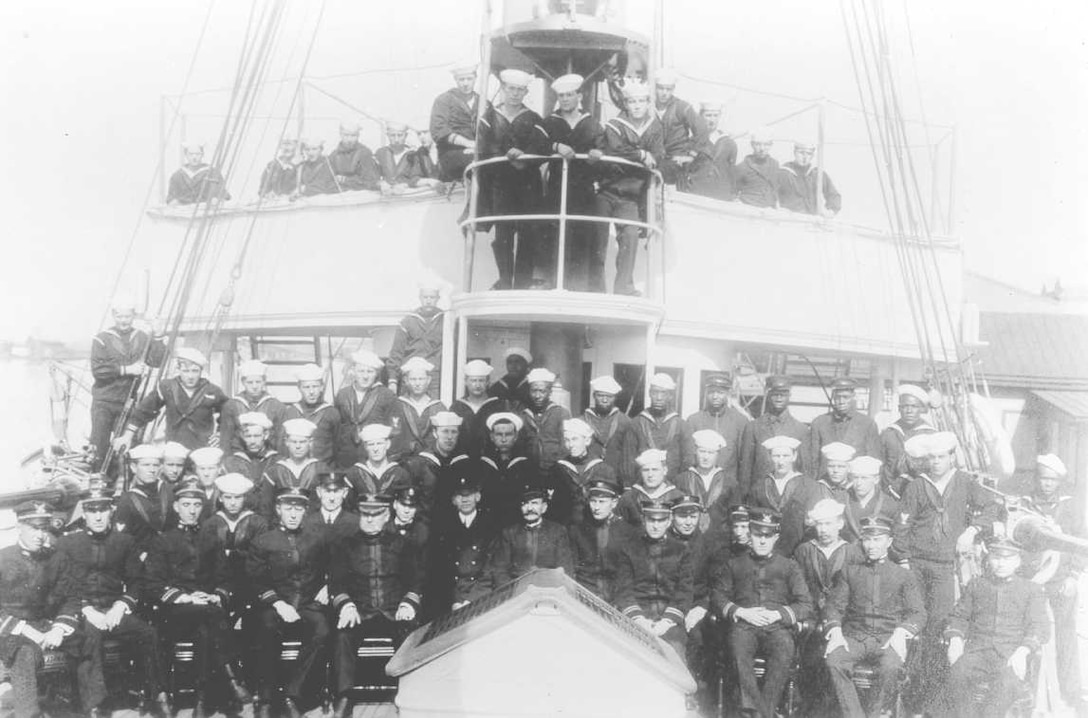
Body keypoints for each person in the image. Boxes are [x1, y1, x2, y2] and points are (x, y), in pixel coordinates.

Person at [898, 430, 1001, 713]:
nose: (935, 462)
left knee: (940, 627)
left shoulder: (964, 482)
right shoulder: (917, 485)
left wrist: (972, 529)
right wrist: (904, 561)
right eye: (931, 457)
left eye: (941, 457)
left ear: (951, 457)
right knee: (913, 624)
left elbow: (992, 507)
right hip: (917, 565)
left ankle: (935, 698)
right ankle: (909, 697)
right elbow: (903, 527)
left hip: (945, 567)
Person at [55, 489, 169, 717]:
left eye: (103, 510)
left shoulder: (124, 541)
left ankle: (156, 695)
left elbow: (136, 581)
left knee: (148, 633)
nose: (98, 517)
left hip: (113, 609)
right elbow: (61, 585)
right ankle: (94, 705)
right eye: (92, 511)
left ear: (112, 511)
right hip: (81, 611)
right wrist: (86, 609)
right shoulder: (68, 543)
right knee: (90, 637)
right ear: (84, 514)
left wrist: (120, 606)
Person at [144, 480, 250, 716]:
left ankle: (202, 699)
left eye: (196, 505)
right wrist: (185, 598)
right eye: (186, 504)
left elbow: (224, 578)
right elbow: (152, 584)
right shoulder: (163, 540)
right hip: (173, 612)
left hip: (205, 611)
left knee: (205, 629)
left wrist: (215, 596)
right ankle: (233, 680)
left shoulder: (210, 538)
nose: (192, 510)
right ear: (176, 507)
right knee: (211, 616)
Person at [930, 536, 1050, 718]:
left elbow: (1040, 627)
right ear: (989, 559)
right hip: (977, 652)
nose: (1001, 564)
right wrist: (955, 639)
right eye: (996, 558)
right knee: (956, 676)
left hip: (1010, 655)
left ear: (1017, 561)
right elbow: (958, 616)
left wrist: (1023, 650)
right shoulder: (977, 585)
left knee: (1005, 686)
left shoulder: (1031, 590)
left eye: (1007, 559)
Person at [712, 508, 813, 718]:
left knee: (785, 647)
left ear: (776, 537)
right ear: (750, 534)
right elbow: (717, 596)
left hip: (777, 627)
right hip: (744, 626)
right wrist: (741, 611)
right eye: (758, 535)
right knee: (738, 646)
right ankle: (756, 713)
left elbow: (805, 604)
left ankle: (759, 713)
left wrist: (778, 615)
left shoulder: (789, 566)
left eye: (768, 536)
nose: (762, 541)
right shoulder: (734, 564)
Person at [823, 516, 926, 718]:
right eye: (867, 539)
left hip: (887, 639)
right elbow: (833, 606)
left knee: (891, 667)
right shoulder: (849, 571)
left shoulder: (903, 575)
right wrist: (835, 630)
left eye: (877, 539)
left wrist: (901, 632)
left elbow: (918, 612)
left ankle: (875, 713)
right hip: (855, 637)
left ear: (889, 542)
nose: (871, 545)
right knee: (834, 660)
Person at [328, 493, 421, 718]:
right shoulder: (346, 544)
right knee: (342, 636)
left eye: (375, 514)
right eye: (365, 514)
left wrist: (408, 604)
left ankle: (409, 695)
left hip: (393, 612)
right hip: (360, 613)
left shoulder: (402, 543)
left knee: (410, 634)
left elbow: (415, 581)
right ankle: (345, 697)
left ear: (386, 515)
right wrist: (347, 606)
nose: (369, 519)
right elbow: (336, 584)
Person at [0, 501, 96, 718]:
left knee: (88, 638)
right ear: (19, 527)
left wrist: (59, 629)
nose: (40, 535)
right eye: (34, 528)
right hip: (12, 629)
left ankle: (82, 708)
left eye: (44, 528)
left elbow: (71, 598)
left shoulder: (57, 558)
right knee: (24, 653)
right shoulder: (3, 558)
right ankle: (29, 714)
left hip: (48, 625)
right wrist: (27, 630)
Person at [246, 487, 330, 718]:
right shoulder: (263, 542)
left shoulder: (317, 539)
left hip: (307, 605)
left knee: (322, 631)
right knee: (266, 627)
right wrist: (278, 604)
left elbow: (333, 568)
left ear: (305, 511)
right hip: (276, 605)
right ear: (278, 509)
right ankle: (266, 697)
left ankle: (293, 694)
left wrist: (328, 586)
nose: (293, 514)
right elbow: (255, 581)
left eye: (298, 508)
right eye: (288, 508)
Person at [477, 68, 550, 290]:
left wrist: (524, 157)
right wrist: (505, 155)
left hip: (527, 183)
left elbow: (541, 147)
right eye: (511, 89)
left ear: (525, 92)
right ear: (504, 89)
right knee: (503, 234)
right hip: (500, 183)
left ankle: (523, 281)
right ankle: (505, 279)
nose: (515, 94)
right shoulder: (489, 118)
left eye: (520, 90)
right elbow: (484, 147)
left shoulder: (534, 118)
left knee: (527, 233)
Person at [792, 498, 863, 715]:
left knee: (837, 654)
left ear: (840, 524)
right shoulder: (804, 550)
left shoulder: (852, 551)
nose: (823, 530)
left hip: (843, 620)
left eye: (829, 524)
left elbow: (857, 591)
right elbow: (796, 586)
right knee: (812, 652)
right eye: (819, 524)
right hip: (811, 617)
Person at [595, 79, 664, 296]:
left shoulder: (654, 127)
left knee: (631, 236)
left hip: (630, 195)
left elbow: (658, 154)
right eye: (632, 101)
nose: (636, 106)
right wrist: (641, 155)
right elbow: (615, 150)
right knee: (597, 237)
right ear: (625, 103)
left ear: (647, 103)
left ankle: (624, 287)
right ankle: (594, 286)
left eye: (641, 101)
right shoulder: (615, 125)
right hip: (606, 190)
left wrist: (646, 155)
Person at [1026, 453, 1084, 708]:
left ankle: (1069, 691)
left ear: (1060, 482)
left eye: (1052, 480)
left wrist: (1073, 575)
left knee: (1065, 632)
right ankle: (1032, 690)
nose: (1047, 484)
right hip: (1033, 576)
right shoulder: (1026, 502)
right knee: (1031, 630)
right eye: (1043, 478)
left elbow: (1080, 543)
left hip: (1061, 577)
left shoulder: (1070, 506)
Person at [541, 73, 605, 291]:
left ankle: (578, 285)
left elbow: (601, 146)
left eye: (569, 94)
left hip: (583, 188)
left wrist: (598, 152)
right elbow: (537, 143)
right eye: (561, 96)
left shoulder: (592, 124)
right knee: (556, 233)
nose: (565, 99)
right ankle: (554, 282)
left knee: (581, 233)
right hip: (557, 186)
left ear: (579, 95)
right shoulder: (550, 122)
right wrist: (556, 147)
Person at [90, 294, 165, 471]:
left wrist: (159, 335)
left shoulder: (142, 337)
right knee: (99, 445)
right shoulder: (102, 339)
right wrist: (127, 369)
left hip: (128, 401)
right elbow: (98, 371)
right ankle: (98, 479)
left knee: (127, 444)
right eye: (119, 317)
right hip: (104, 402)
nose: (124, 321)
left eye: (127, 317)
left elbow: (156, 361)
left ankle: (124, 481)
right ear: (113, 316)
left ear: (133, 316)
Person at [613, 499, 694, 657]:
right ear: (644, 520)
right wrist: (640, 620)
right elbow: (624, 591)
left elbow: (684, 592)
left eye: (661, 520)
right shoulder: (629, 549)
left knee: (675, 653)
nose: (656, 526)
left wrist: (666, 622)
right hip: (637, 618)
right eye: (651, 520)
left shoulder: (681, 551)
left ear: (669, 521)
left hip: (669, 622)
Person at [114, 347, 227, 453]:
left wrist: (220, 433)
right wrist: (127, 436)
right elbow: (143, 411)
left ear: (201, 371)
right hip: (174, 449)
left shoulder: (212, 390)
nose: (190, 376)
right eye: (186, 371)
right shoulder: (167, 387)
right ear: (178, 370)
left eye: (195, 371)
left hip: (202, 449)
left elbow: (228, 412)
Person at [748, 435, 826, 557]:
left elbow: (813, 525)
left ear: (794, 456)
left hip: (798, 551)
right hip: (767, 553)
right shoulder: (759, 486)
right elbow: (752, 521)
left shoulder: (810, 486)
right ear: (769, 457)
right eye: (776, 456)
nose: (781, 461)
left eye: (786, 456)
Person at [431, 474, 498, 613]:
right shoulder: (442, 527)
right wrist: (455, 601)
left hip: (480, 593)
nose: (465, 499)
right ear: (454, 500)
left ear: (477, 497)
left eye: (470, 494)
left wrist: (472, 599)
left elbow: (491, 568)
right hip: (450, 597)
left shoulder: (490, 526)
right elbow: (440, 571)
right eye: (460, 495)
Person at [488, 485, 575, 587]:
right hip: (517, 590)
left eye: (534, 503)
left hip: (549, 590)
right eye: (524, 504)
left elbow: (565, 569)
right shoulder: (509, 533)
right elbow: (500, 570)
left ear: (544, 507)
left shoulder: (557, 531)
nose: (529, 508)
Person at [739, 375, 809, 497]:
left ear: (789, 396)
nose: (779, 398)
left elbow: (804, 469)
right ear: (768, 395)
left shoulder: (801, 430)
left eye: (783, 394)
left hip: (790, 496)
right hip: (759, 496)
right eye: (775, 394)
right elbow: (746, 469)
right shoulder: (753, 427)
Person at [568, 479, 632, 603]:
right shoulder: (578, 531)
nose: (596, 507)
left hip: (618, 598)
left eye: (602, 502)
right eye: (593, 501)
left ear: (614, 503)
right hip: (584, 595)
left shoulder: (627, 532)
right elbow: (572, 570)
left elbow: (628, 574)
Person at [547, 418, 618, 526]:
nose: (570, 445)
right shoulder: (558, 469)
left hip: (594, 527)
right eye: (567, 440)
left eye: (575, 439)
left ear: (587, 441)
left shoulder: (603, 469)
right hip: (566, 525)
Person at [806, 377, 881, 477]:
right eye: (837, 397)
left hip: (854, 484)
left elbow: (872, 460)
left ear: (853, 396)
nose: (841, 401)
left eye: (846, 397)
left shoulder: (867, 424)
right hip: (825, 483)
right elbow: (813, 460)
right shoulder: (819, 423)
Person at [334, 349, 398, 467]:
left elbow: (394, 430)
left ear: (376, 374)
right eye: (361, 371)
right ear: (354, 372)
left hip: (373, 458)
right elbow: (337, 427)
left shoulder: (386, 395)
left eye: (370, 371)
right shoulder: (342, 394)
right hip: (346, 456)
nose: (365, 376)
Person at [652, 69, 710, 190]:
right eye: (661, 88)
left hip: (676, 161)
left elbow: (702, 129)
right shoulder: (648, 107)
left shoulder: (682, 107)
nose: (664, 93)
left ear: (673, 90)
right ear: (655, 88)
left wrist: (692, 155)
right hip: (655, 159)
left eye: (668, 89)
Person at [385, 284, 446, 398]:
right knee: (406, 408)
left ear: (438, 298)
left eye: (432, 297)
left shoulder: (446, 319)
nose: (428, 301)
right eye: (425, 297)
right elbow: (396, 352)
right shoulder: (407, 321)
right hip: (410, 374)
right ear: (420, 298)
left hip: (434, 378)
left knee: (433, 410)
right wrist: (392, 380)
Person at [676, 429, 742, 532]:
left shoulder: (730, 482)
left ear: (718, 455)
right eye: (702, 451)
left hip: (719, 540)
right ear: (695, 451)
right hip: (689, 538)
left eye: (710, 453)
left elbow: (733, 517)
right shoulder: (681, 480)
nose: (705, 457)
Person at [686, 373, 748, 483]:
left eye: (720, 393)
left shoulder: (740, 421)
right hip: (700, 482)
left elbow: (743, 459)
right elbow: (689, 457)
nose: (715, 396)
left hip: (729, 484)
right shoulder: (694, 420)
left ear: (728, 394)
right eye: (711, 392)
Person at [632, 372, 694, 481]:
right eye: (655, 393)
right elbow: (629, 458)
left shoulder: (681, 425)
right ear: (649, 394)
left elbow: (688, 459)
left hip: (672, 484)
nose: (659, 398)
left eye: (663, 393)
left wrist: (679, 484)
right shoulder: (636, 423)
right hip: (643, 483)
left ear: (670, 396)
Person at [840, 456, 905, 557]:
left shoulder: (889, 504)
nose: (859, 483)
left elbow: (897, 535)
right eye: (855, 478)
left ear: (876, 479)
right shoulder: (841, 501)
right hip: (847, 557)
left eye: (864, 478)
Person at [477, 412, 534, 527]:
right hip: (488, 523)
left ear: (516, 436)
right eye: (499, 434)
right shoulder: (481, 464)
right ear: (491, 437)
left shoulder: (526, 464)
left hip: (517, 523)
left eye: (508, 434)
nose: (503, 439)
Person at [219, 359, 288, 454]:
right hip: (238, 457)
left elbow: (281, 439)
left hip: (268, 456)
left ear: (264, 381)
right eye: (250, 382)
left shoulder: (276, 406)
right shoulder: (231, 405)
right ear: (243, 382)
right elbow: (226, 438)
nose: (254, 386)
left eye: (258, 382)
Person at [114, 443, 174, 548]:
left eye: (155, 465)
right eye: (146, 465)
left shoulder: (169, 491)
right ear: (133, 467)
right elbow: (122, 537)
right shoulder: (127, 499)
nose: (151, 470)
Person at [582, 375, 638, 486]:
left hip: (615, 478)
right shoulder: (582, 420)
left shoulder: (625, 422)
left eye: (609, 396)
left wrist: (627, 484)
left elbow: (629, 456)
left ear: (615, 398)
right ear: (594, 396)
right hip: (588, 476)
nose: (604, 400)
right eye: (600, 395)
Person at [449, 360, 513, 456]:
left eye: (481, 380)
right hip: (462, 458)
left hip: (492, 458)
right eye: (473, 380)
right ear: (466, 382)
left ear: (487, 382)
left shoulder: (498, 405)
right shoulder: (457, 407)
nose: (477, 385)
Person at [879, 384, 935, 490]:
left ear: (921, 409)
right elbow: (881, 465)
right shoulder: (889, 433)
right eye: (905, 406)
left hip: (920, 493)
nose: (909, 411)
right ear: (899, 409)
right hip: (890, 493)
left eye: (914, 406)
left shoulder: (930, 435)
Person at [429, 64, 479, 182]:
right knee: (477, 163)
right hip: (452, 153)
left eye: (469, 79)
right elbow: (438, 130)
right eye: (461, 79)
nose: (465, 83)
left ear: (475, 79)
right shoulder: (444, 100)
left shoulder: (483, 102)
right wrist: (468, 143)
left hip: (478, 151)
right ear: (456, 80)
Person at [283, 363, 340, 465]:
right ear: (299, 388)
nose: (311, 391)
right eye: (306, 387)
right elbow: (283, 446)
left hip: (323, 468)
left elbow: (338, 445)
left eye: (315, 386)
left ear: (321, 387)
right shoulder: (291, 412)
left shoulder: (331, 412)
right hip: (297, 468)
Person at [390, 357, 446, 459]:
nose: (417, 383)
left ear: (428, 380)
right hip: (404, 461)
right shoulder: (397, 405)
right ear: (406, 380)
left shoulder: (438, 407)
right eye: (413, 379)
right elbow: (395, 437)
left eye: (421, 379)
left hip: (432, 461)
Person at [520, 367, 572, 473]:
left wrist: (556, 466)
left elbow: (566, 445)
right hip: (529, 470)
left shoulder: (560, 413)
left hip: (556, 470)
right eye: (534, 391)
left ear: (550, 392)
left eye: (542, 391)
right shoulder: (524, 415)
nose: (537, 396)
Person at [346, 424, 412, 504]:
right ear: (365, 447)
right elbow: (349, 506)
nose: (375, 449)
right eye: (371, 444)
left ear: (388, 444)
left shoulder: (400, 473)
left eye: (379, 443)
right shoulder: (354, 473)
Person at [616, 449, 684, 525]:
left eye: (655, 470)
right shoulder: (629, 497)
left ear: (665, 470)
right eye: (646, 470)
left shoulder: (677, 497)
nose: (650, 475)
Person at [777, 140, 841, 216]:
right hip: (790, 219)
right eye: (801, 153)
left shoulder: (817, 173)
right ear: (794, 153)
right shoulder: (784, 172)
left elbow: (833, 194)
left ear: (812, 156)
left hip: (812, 219)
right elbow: (771, 194)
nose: (805, 157)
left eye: (809, 154)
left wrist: (831, 210)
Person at [689, 100, 738, 200]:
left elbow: (731, 172)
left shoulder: (729, 143)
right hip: (698, 193)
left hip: (721, 194)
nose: (712, 119)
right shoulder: (692, 142)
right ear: (701, 117)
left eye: (715, 116)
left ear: (720, 117)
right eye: (708, 115)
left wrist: (732, 194)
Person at [224, 411, 280, 487]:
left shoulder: (276, 461)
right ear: (242, 436)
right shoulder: (232, 463)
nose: (252, 441)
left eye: (257, 436)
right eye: (248, 436)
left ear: (266, 435)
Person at [375, 122, 437, 190]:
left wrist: (406, 185)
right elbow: (372, 177)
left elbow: (416, 177)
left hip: (406, 194)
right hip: (386, 194)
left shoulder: (413, 155)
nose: (396, 139)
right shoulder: (381, 153)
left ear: (406, 135)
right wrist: (381, 183)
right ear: (387, 135)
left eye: (400, 135)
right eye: (392, 135)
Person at [327, 121, 381, 192]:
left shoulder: (365, 153)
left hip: (361, 193)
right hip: (339, 194)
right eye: (346, 135)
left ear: (358, 136)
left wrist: (345, 180)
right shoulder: (334, 155)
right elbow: (328, 180)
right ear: (340, 135)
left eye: (353, 135)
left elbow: (370, 181)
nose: (349, 139)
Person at [735, 128, 779, 208]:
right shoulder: (742, 167)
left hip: (769, 210)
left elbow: (775, 189)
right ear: (752, 144)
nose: (762, 149)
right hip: (748, 208)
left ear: (771, 145)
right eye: (758, 144)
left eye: (766, 144)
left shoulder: (775, 165)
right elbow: (733, 192)